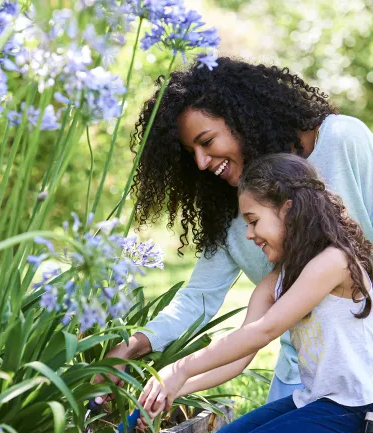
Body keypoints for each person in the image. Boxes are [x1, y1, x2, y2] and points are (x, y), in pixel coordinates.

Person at [94, 57, 373, 404]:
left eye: (207, 141)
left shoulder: (341, 141)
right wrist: (132, 346)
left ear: (243, 119)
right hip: (304, 370)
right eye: (190, 152)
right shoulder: (229, 213)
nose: (200, 161)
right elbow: (197, 299)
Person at [138, 153, 373, 433]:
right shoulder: (276, 282)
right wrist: (173, 390)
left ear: (288, 210)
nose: (249, 234)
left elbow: (264, 330)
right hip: (318, 400)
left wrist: (181, 369)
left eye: (253, 220)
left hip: (358, 404)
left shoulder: (334, 261)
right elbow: (239, 356)